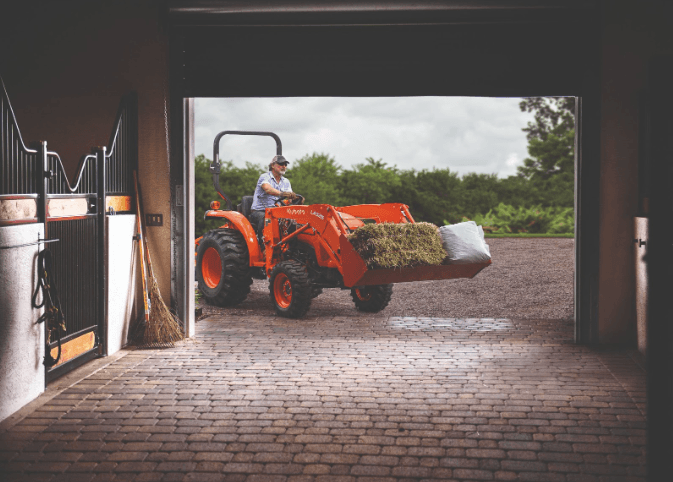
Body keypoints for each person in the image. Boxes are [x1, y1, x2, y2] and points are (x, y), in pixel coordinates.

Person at [249, 155, 298, 246]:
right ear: (272, 165)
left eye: (285, 164)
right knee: (266, 219)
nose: (284, 166)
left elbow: (289, 199)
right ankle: (263, 247)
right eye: (281, 164)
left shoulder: (286, 181)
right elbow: (268, 189)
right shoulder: (265, 177)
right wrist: (282, 194)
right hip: (260, 211)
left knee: (293, 221)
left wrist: (294, 198)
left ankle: (291, 248)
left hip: (277, 212)